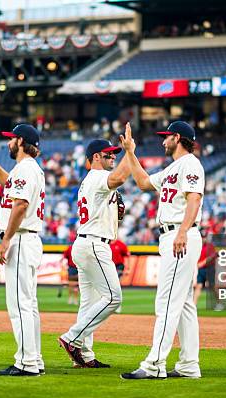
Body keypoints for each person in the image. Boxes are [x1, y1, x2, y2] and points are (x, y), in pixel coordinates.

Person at [121, 120, 205, 380]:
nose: (162, 140)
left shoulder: (190, 163)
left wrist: (182, 232)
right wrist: (130, 152)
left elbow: (194, 198)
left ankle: (154, 365)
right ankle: (189, 365)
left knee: (167, 300)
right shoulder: (174, 167)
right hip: (174, 235)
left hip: (181, 234)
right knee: (184, 305)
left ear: (177, 137)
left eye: (166, 136)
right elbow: (144, 183)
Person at [58, 126, 131, 369]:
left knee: (88, 304)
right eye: (109, 154)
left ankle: (85, 355)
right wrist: (130, 152)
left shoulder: (92, 181)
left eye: (115, 154)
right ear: (95, 157)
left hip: (86, 242)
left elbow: (114, 210)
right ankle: (72, 338)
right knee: (113, 298)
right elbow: (120, 177)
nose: (113, 157)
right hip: (93, 245)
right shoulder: (98, 177)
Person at [0, 123, 45, 376]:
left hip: (20, 238)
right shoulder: (25, 169)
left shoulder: (26, 168)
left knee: (19, 305)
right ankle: (34, 359)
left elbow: (20, 205)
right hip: (27, 238)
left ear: (22, 142)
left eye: (12, 138)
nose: (9, 142)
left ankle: (26, 363)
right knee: (28, 304)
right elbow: (11, 186)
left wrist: (6, 239)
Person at [193, 229, 217, 306]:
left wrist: (202, 263)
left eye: (204, 237)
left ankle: (219, 303)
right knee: (198, 286)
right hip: (201, 269)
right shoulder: (197, 246)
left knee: (212, 287)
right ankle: (194, 305)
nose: (203, 239)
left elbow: (212, 257)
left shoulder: (210, 246)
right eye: (202, 237)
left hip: (209, 269)